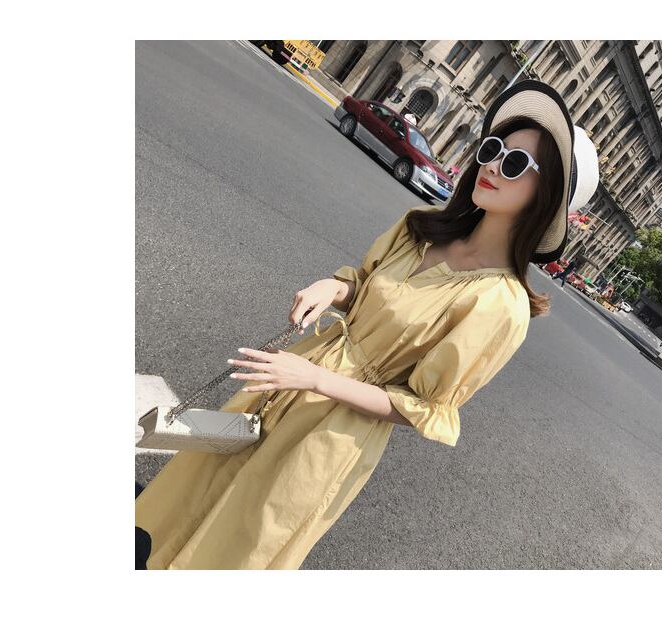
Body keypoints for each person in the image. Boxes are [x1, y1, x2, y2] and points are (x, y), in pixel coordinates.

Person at [135, 79, 599, 569]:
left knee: (245, 537)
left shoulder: (499, 304)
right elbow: (366, 284)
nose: (492, 166)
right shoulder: (421, 227)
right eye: (492, 150)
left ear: (545, 196)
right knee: (198, 492)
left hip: (333, 429)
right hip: (285, 381)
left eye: (515, 163)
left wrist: (315, 379)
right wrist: (333, 288)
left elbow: (421, 407)